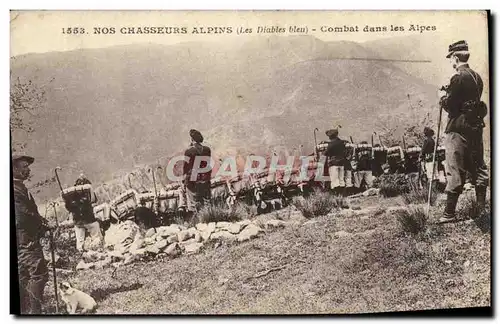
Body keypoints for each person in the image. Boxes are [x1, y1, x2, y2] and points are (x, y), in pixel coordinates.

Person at [438, 40, 489, 223]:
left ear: (455, 57)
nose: (451, 61)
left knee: (454, 168)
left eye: (451, 58)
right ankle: (481, 210)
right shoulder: (477, 77)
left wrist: (442, 97)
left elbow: (451, 106)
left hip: (458, 129)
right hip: (475, 128)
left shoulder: (457, 77)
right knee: (478, 168)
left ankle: (449, 214)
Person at [13, 154, 52, 314]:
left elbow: (28, 212)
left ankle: (23, 310)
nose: (27, 170)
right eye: (24, 167)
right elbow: (21, 216)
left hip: (24, 237)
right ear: (13, 169)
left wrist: (41, 222)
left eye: (27, 167)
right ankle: (35, 313)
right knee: (39, 274)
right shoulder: (14, 189)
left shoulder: (19, 187)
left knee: (23, 275)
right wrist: (40, 223)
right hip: (25, 239)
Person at [61, 175, 103, 251]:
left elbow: (68, 208)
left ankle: (81, 252)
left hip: (78, 222)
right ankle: (98, 249)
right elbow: (94, 201)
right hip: (89, 219)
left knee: (80, 240)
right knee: (96, 234)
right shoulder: (87, 193)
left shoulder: (71, 197)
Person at [182, 129, 212, 217]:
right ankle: (209, 217)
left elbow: (186, 168)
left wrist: (184, 180)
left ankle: (197, 219)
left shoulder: (189, 151)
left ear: (192, 139)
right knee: (206, 202)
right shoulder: (207, 149)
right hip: (205, 179)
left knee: (194, 202)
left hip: (193, 181)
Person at [323, 128, 346, 196]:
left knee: (334, 180)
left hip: (333, 164)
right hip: (341, 163)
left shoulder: (331, 144)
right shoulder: (341, 142)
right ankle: (343, 194)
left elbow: (326, 153)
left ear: (331, 136)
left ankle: (336, 195)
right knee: (341, 179)